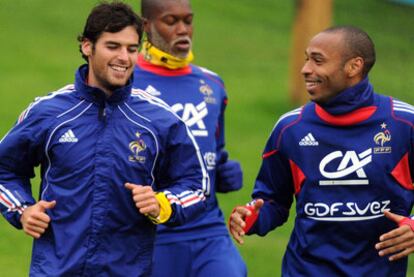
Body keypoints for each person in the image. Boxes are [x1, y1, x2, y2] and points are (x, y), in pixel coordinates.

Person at [0, 2, 208, 276]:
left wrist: (163, 203)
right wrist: (23, 210)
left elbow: (196, 185)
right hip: (55, 270)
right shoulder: (48, 113)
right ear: (88, 46)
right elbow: (5, 170)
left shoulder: (161, 120)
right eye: (113, 46)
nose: (124, 57)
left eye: (132, 49)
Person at [228, 25, 414, 276]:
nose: (305, 69)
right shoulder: (290, 129)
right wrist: (253, 216)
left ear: (354, 66)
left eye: (317, 61)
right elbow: (273, 202)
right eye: (306, 59)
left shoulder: (404, 125)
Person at [133, 0, 246, 276]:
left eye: (188, 20)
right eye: (171, 21)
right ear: (146, 26)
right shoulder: (125, 80)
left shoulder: (212, 84)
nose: (183, 30)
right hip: (150, 232)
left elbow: (215, 150)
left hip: (207, 227)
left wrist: (222, 171)